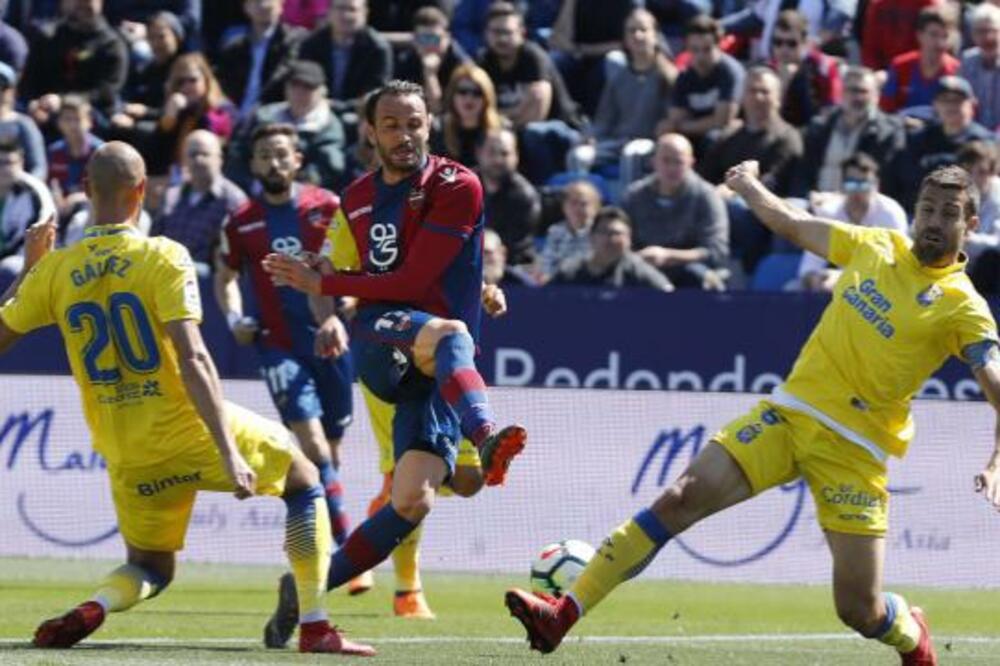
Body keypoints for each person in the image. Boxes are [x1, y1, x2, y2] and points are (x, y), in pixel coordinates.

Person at [505, 158, 1000, 666]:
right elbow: (792, 223)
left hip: (855, 452)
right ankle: (561, 614)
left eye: (948, 214)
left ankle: (911, 633)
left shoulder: (963, 306)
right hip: (789, 415)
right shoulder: (876, 246)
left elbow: (995, 383)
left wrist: (996, 461)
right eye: (927, 209)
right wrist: (748, 186)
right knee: (680, 498)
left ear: (970, 225)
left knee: (859, 609)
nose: (934, 221)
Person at [0, 142, 374, 655]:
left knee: (150, 566)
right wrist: (227, 451)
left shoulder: (57, 269)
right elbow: (194, 357)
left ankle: (98, 605)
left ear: (85, 190)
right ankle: (315, 625)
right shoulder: (163, 255)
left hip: (127, 452)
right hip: (187, 428)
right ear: (141, 192)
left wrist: (28, 271)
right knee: (305, 480)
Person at [260, 80, 527, 645]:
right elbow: (346, 272)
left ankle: (305, 591)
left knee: (414, 500)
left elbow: (417, 276)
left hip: (437, 364)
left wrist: (478, 288)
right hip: (383, 342)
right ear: (371, 132)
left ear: (430, 124)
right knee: (451, 333)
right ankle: (486, 433)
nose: (404, 135)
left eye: (413, 124)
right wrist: (323, 283)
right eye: (391, 125)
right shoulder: (356, 198)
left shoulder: (457, 185)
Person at [214, 122, 368, 595]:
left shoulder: (328, 207)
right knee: (315, 445)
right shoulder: (241, 221)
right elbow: (224, 277)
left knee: (331, 452)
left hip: (330, 339)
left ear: (298, 159)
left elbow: (360, 265)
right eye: (264, 155)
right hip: (276, 345)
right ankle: (351, 554)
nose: (274, 162)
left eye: (282, 153)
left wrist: (347, 305)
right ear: (253, 164)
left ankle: (316, 538)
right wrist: (234, 317)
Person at [623, 133, 729, 290]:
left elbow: (716, 252)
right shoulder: (634, 196)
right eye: (666, 161)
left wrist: (668, 256)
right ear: (653, 162)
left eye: (678, 162)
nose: (672, 168)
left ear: (691, 163)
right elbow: (623, 243)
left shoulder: (707, 197)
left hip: (690, 276)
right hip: (643, 270)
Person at [226, 60, 346, 191]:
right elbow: (238, 153)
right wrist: (250, 183)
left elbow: (329, 167)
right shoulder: (262, 116)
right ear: (286, 87)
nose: (300, 92)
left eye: (308, 87)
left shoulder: (328, 127)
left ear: (322, 91)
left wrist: (286, 186)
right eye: (294, 85)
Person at [798, 153, 909, 292]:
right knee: (792, 287)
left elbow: (896, 267)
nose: (858, 191)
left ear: (876, 185)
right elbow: (809, 267)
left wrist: (844, 279)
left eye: (864, 184)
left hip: (882, 289)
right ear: (842, 186)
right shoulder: (828, 213)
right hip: (839, 288)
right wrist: (816, 280)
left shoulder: (891, 213)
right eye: (851, 184)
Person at [792, 66, 906, 197]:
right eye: (852, 90)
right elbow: (802, 173)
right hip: (816, 201)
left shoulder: (888, 133)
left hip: (861, 204)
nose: (857, 97)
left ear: (876, 96)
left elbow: (885, 181)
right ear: (841, 92)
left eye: (863, 91)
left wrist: (840, 201)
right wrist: (806, 197)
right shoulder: (819, 127)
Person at [151, 130, 246, 274]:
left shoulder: (234, 200)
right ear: (184, 159)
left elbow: (236, 260)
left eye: (205, 154)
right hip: (164, 275)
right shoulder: (171, 195)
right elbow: (154, 241)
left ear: (220, 158)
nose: (198, 160)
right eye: (193, 154)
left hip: (208, 281)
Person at [23, 0, 130, 122]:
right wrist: (34, 102)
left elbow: (106, 91)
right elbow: (30, 79)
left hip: (92, 114)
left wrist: (63, 100)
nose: (81, 5)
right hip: (46, 111)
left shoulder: (111, 44)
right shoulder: (49, 37)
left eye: (87, 1)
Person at [659, 15, 743, 152]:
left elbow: (722, 121)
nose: (700, 56)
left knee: (713, 137)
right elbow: (675, 119)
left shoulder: (730, 72)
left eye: (707, 49)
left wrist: (682, 126)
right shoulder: (684, 77)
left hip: (727, 141)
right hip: (693, 137)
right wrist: (679, 127)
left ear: (719, 45)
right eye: (694, 49)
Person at [216, 0, 306, 120]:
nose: (263, 5)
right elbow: (223, 82)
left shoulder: (294, 41)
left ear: (281, 4)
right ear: (246, 7)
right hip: (235, 115)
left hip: (274, 115)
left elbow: (282, 75)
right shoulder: (234, 47)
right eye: (256, 1)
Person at [298, 0, 393, 112]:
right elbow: (303, 80)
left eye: (352, 10)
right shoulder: (312, 43)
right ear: (329, 12)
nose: (346, 15)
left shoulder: (378, 47)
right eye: (340, 8)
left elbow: (376, 92)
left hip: (360, 113)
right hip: (314, 109)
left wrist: (339, 106)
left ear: (365, 13)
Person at [549, 206, 673, 291]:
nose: (611, 239)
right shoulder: (569, 272)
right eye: (604, 232)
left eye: (617, 233)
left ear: (629, 239)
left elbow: (668, 295)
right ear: (591, 237)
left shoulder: (639, 273)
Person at [151, 53, 236, 176]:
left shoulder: (222, 110)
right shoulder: (180, 110)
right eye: (180, 82)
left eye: (193, 80)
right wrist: (169, 116)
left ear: (206, 80)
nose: (187, 86)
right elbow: (157, 152)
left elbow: (210, 146)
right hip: (174, 176)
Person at [477, 127, 540, 266]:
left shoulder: (524, 196)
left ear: (516, 157)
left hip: (509, 266)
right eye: (491, 152)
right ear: (479, 153)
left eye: (505, 153)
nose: (498, 160)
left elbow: (517, 246)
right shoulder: (463, 186)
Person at [769, 10, 842, 128]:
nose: (784, 49)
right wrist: (783, 85)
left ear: (805, 42)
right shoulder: (769, 69)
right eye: (778, 42)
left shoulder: (823, 66)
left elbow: (831, 110)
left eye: (791, 43)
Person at [880, 7, 959, 115]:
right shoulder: (900, 66)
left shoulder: (957, 70)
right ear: (919, 35)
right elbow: (886, 108)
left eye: (945, 36)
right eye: (933, 35)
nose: (939, 43)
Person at [394, 6, 470, 115]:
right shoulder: (405, 62)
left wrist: (430, 74)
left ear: (447, 38)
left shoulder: (461, 65)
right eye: (423, 39)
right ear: (415, 40)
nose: (429, 45)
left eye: (434, 39)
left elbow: (438, 110)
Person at [0, 140, 57, 279]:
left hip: (28, 259)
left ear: (21, 163)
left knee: (8, 268)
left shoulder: (34, 192)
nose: (3, 169)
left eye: (8, 163)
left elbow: (35, 235)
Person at [433, 63, 504, 168]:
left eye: (477, 93)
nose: (469, 98)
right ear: (452, 95)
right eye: (463, 91)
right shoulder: (437, 129)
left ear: (487, 98)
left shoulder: (502, 129)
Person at [538, 179, 601, 281]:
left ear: (596, 207)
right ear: (564, 207)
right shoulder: (555, 232)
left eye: (583, 204)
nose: (578, 208)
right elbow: (547, 267)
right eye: (573, 203)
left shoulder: (601, 234)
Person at [960, 3, 1000, 132]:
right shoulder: (967, 61)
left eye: (993, 31)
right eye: (981, 32)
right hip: (972, 135)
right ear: (973, 35)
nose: (987, 37)